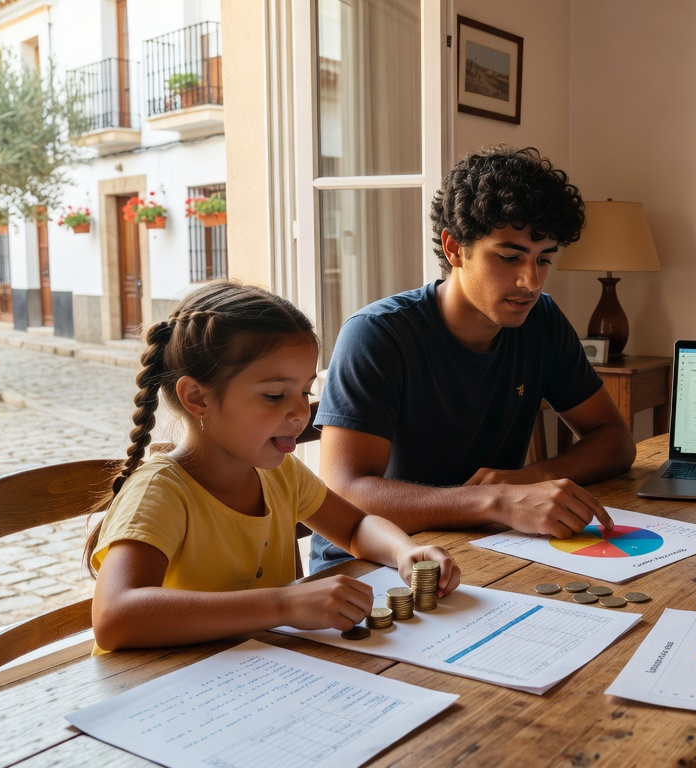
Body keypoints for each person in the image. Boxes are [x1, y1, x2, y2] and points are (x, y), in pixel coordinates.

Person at [310, 146, 637, 573]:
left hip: (481, 546)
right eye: (509, 257)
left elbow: (615, 440)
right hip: (371, 565)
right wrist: (496, 500)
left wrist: (527, 480)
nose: (531, 281)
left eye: (544, 259)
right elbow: (346, 494)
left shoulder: (542, 321)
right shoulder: (378, 334)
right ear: (454, 247)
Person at [85, 281, 461, 652]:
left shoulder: (280, 473)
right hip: (170, 681)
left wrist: (404, 551)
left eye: (305, 391)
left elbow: (355, 527)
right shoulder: (161, 492)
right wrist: (284, 605)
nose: (300, 412)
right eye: (274, 395)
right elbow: (115, 617)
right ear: (197, 397)